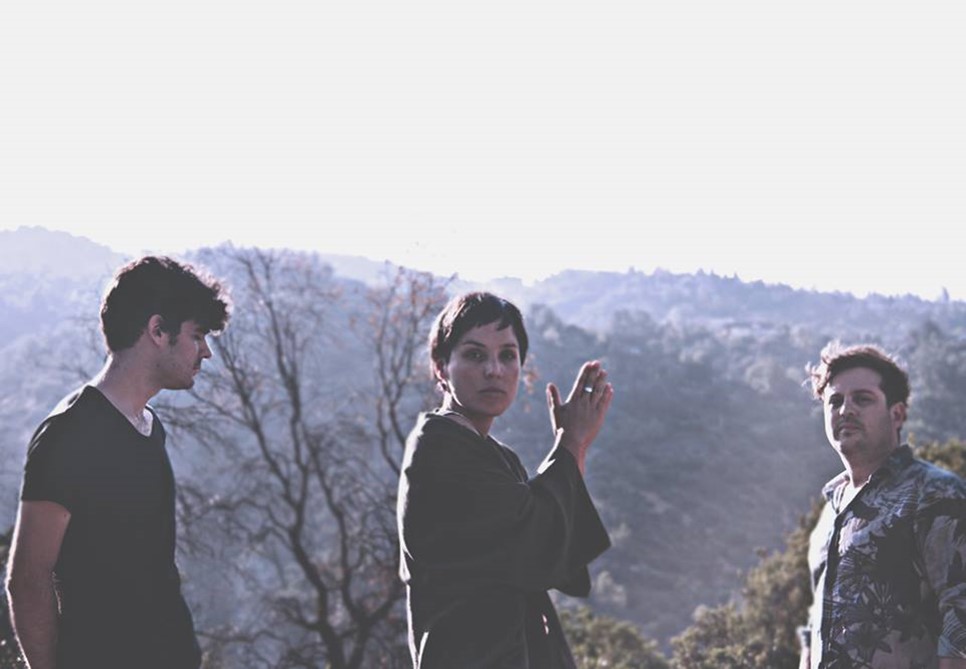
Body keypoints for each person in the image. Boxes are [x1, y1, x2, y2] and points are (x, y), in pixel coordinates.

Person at [5, 256, 231, 669]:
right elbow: (27, 580)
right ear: (158, 330)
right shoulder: (69, 435)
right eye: (197, 335)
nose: (206, 352)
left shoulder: (150, 427)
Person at [397, 292, 613, 668]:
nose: (494, 370)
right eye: (474, 355)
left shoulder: (495, 457)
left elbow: (551, 552)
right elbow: (535, 537)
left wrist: (573, 446)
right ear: (441, 367)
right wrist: (570, 442)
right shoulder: (440, 451)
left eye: (508, 355)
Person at [800, 342, 966, 669]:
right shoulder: (830, 511)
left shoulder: (935, 494)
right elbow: (816, 623)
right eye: (835, 401)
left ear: (897, 414)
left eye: (862, 399)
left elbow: (960, 612)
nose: (845, 410)